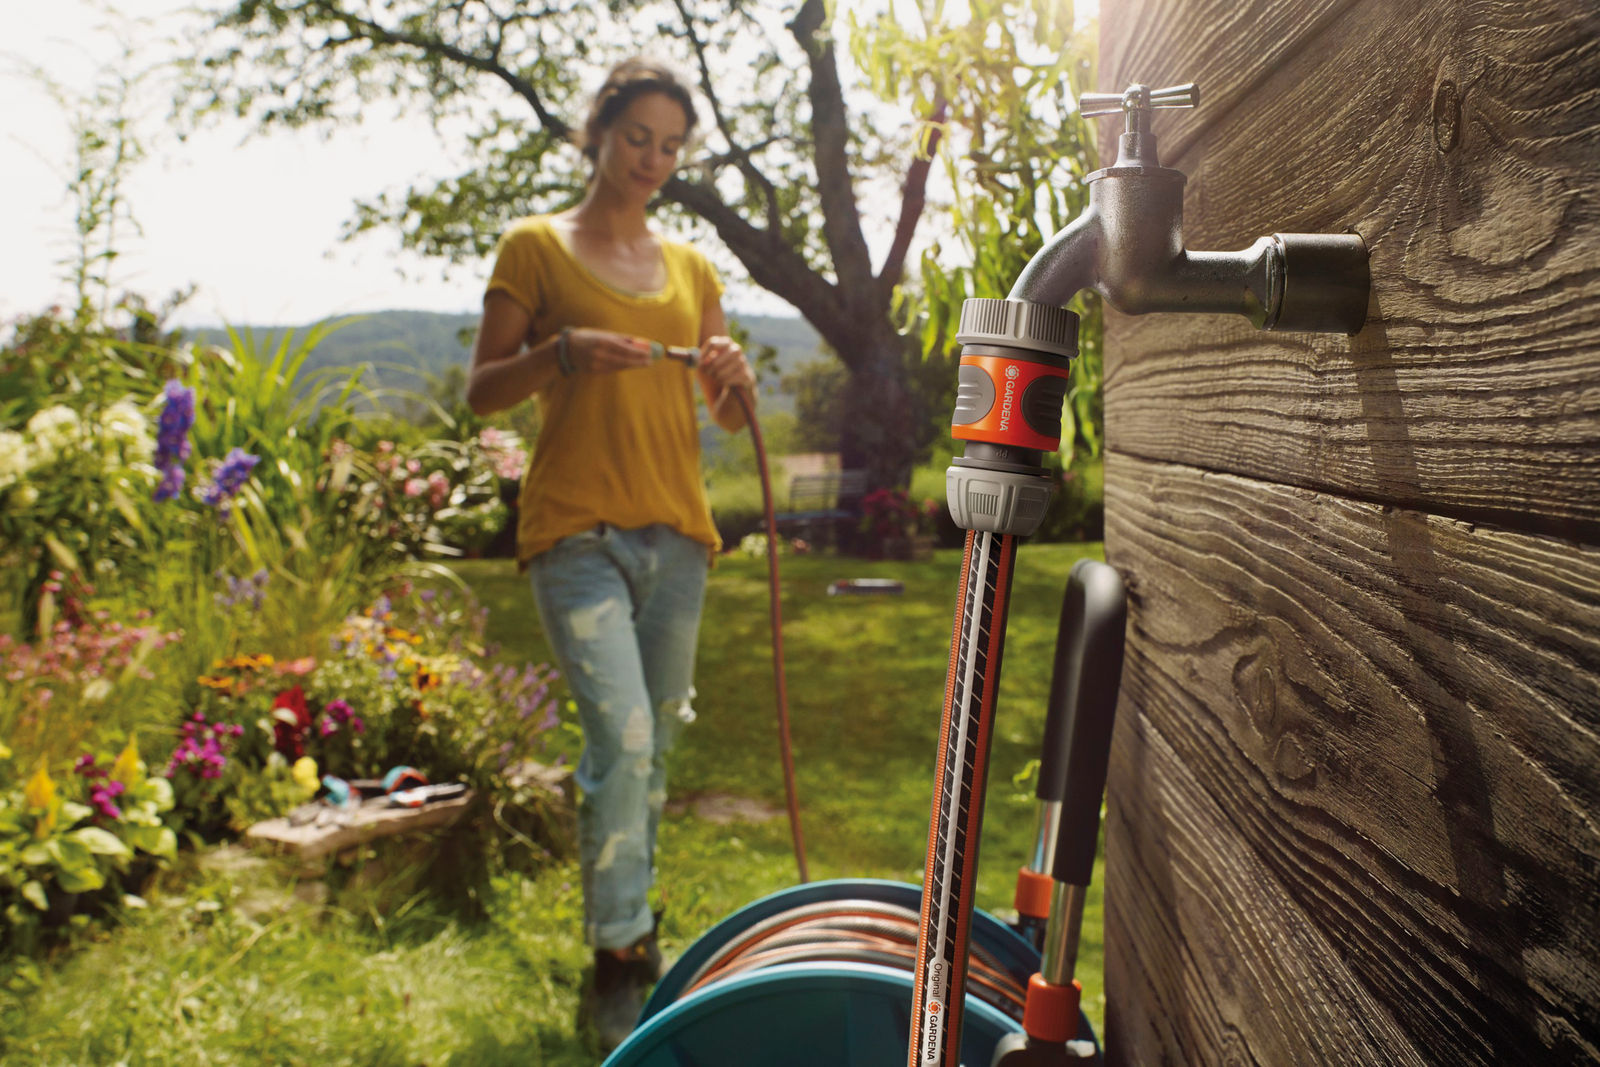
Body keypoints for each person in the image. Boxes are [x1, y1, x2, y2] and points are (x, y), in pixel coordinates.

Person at [465, 57, 756, 1051]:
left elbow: (720, 411)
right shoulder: (534, 247)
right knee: (624, 736)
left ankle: (635, 922)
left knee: (655, 746)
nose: (653, 160)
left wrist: (729, 373)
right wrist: (560, 353)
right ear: (598, 132)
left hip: (676, 534)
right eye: (638, 136)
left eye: (672, 145)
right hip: (575, 528)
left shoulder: (694, 268)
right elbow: (481, 392)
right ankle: (617, 954)